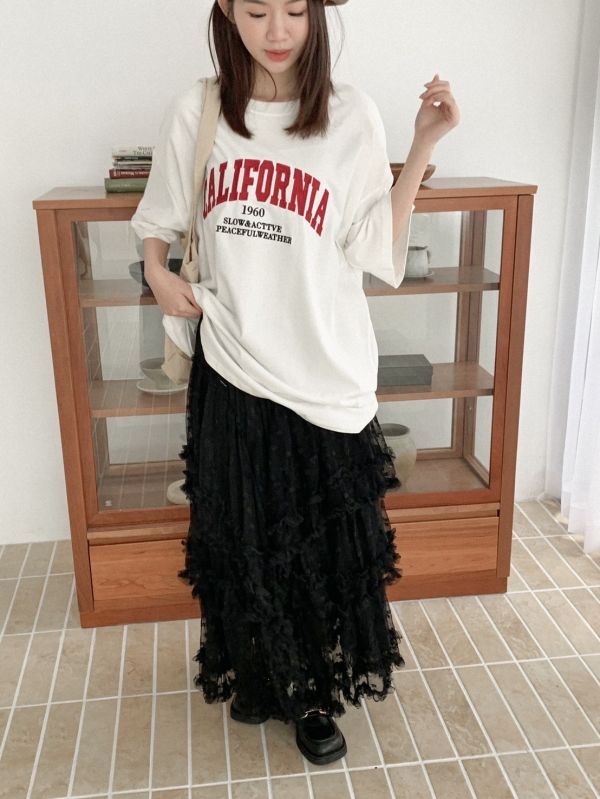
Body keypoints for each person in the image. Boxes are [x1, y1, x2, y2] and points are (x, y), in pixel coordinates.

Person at [130, 0, 460, 766]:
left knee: (318, 547)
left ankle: (312, 693)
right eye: (256, 10)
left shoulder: (350, 116)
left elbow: (375, 248)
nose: (276, 31)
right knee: (246, 538)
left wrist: (420, 146)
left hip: (323, 371)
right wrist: (155, 272)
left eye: (293, 10)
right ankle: (266, 673)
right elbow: (160, 216)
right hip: (234, 363)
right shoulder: (199, 112)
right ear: (226, 10)